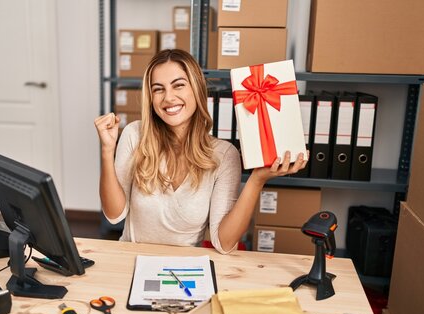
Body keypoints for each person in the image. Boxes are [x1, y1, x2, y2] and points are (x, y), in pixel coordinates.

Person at [94, 49, 307, 254]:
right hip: (131, 260)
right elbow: (114, 214)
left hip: (186, 271)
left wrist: (257, 180)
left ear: (196, 88)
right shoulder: (135, 135)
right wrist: (106, 150)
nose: (168, 98)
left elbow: (223, 243)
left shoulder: (224, 155)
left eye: (178, 85)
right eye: (158, 89)